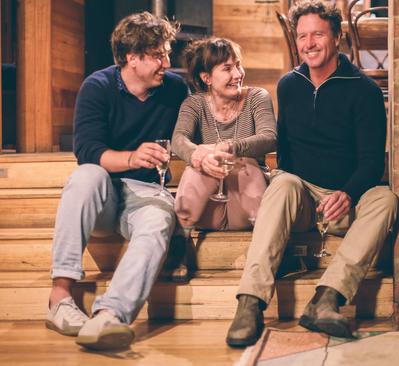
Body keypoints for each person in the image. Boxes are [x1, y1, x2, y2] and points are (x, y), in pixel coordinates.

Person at [226, 0, 398, 347]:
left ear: (336, 37)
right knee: (283, 180)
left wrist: (348, 193)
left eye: (318, 34)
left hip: (345, 201)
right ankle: (250, 304)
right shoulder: (289, 85)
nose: (309, 43)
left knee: (387, 199)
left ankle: (327, 299)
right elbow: (286, 151)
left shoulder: (363, 90)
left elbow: (371, 163)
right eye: (302, 36)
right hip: (302, 198)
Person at [45, 12, 188, 350]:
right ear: (131, 58)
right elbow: (88, 150)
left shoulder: (175, 89)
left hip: (148, 191)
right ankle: (60, 297)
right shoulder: (98, 86)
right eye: (157, 55)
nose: (166, 62)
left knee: (159, 219)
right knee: (86, 175)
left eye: (167, 52)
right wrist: (132, 157)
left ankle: (110, 315)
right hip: (104, 193)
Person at [172, 38, 276, 233]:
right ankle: (180, 240)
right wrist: (201, 156)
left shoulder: (256, 97)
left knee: (244, 163)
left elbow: (269, 137)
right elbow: (178, 140)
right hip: (208, 204)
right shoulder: (194, 104)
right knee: (203, 163)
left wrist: (228, 147)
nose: (237, 74)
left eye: (238, 65)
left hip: (249, 201)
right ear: (207, 78)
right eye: (227, 69)